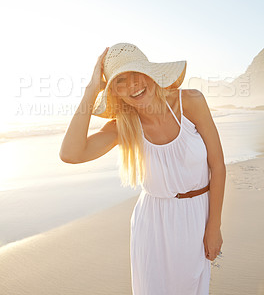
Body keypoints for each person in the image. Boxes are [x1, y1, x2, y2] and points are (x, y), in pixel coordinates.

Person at [59, 42, 226, 295]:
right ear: (114, 91)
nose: (133, 85)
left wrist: (213, 227)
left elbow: (218, 166)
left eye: (136, 73)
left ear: (149, 72)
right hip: (152, 225)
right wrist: (91, 90)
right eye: (120, 81)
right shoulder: (123, 126)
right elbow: (70, 154)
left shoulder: (190, 102)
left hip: (196, 217)